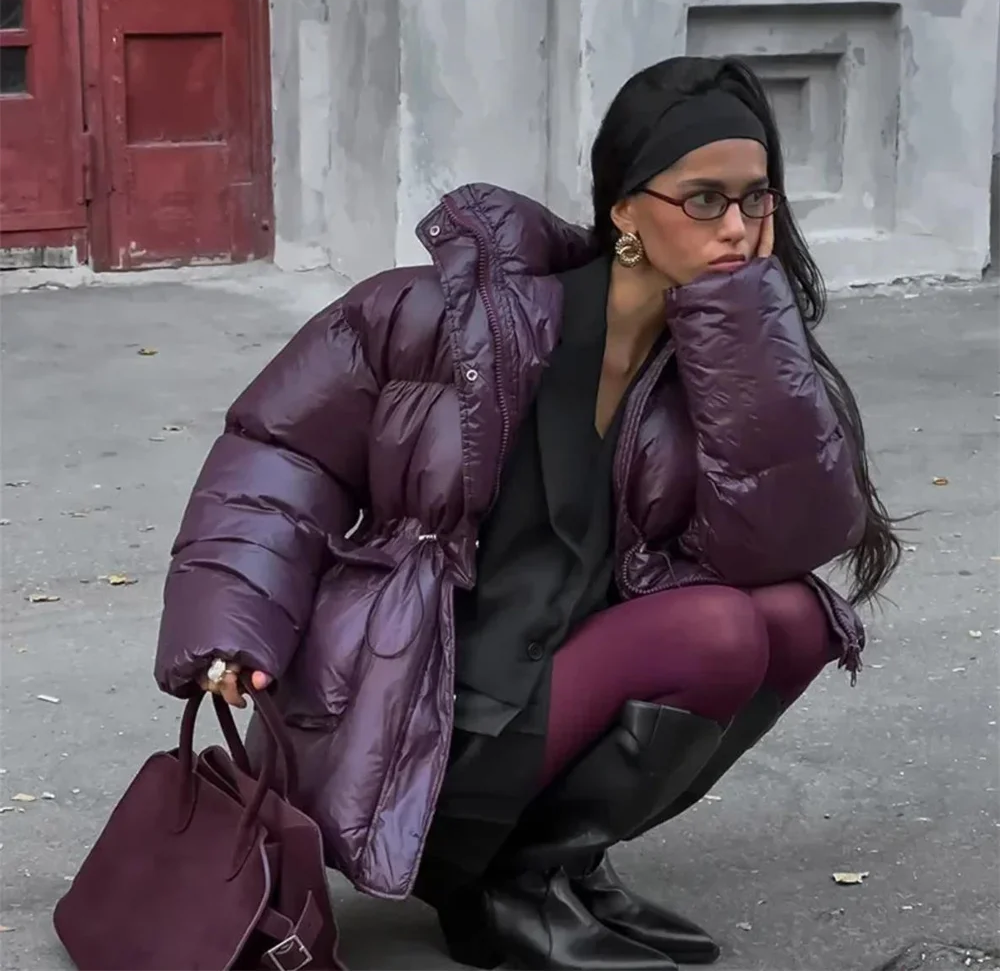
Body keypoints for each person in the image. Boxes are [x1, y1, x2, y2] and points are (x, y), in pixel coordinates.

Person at [154, 55, 900, 971]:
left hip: (555, 687)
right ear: (627, 209)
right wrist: (230, 628)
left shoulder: (713, 364)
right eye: (704, 200)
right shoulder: (442, 319)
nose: (739, 229)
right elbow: (281, 455)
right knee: (717, 631)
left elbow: (783, 540)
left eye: (758, 201)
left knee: (790, 616)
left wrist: (745, 331)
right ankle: (494, 886)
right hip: (411, 710)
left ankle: (549, 872)